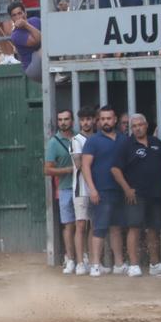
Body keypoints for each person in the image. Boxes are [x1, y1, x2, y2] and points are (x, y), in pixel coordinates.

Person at [111, 113, 161, 277]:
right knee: (134, 228)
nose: (138, 128)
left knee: (154, 229)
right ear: (131, 128)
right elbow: (115, 169)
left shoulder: (156, 143)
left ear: (147, 126)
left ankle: (155, 264)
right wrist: (126, 189)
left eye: (140, 125)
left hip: (155, 193)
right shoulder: (126, 145)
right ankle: (134, 265)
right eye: (134, 126)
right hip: (136, 194)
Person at [81, 106, 130, 277]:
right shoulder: (93, 141)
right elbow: (85, 166)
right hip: (101, 191)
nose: (106, 122)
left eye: (109, 118)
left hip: (119, 191)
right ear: (98, 121)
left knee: (116, 228)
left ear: (115, 120)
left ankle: (118, 264)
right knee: (99, 228)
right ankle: (95, 264)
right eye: (102, 119)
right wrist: (92, 189)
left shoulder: (124, 140)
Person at [45, 108, 82, 274]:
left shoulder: (79, 138)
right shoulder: (53, 142)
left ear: (72, 121)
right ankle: (71, 258)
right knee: (69, 225)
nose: (63, 122)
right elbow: (47, 170)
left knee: (83, 224)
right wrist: (69, 170)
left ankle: (83, 258)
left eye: (66, 119)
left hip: (82, 187)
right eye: (60, 120)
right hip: (65, 188)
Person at [71, 107, 96, 271]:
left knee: (94, 226)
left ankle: (94, 262)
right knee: (81, 225)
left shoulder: (98, 138)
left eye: (88, 119)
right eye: (83, 119)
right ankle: (80, 262)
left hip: (96, 188)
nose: (86, 122)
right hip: (81, 189)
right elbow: (79, 164)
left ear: (94, 120)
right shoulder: (75, 140)